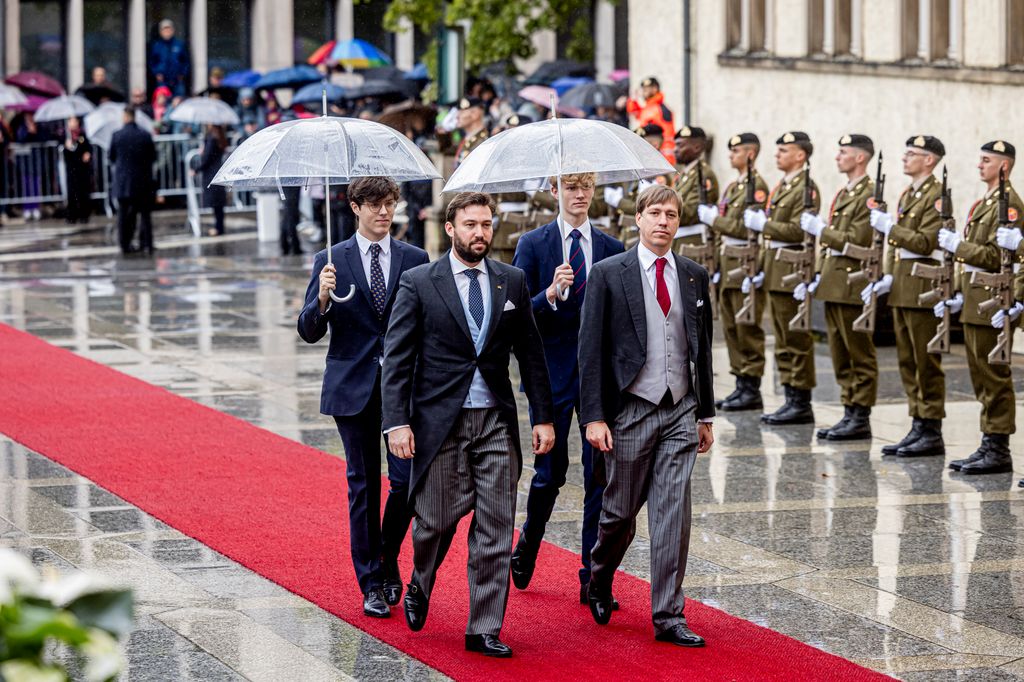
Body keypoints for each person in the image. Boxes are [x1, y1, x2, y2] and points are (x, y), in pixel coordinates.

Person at [382, 192, 555, 658]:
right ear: (452, 228)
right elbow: (397, 360)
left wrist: (543, 416)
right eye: (471, 224)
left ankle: (483, 627)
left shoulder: (512, 281)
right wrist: (396, 423)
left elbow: (531, 355)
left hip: (495, 420)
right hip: (440, 422)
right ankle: (421, 579)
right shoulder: (419, 282)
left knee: (496, 526)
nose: (480, 233)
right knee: (434, 521)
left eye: (486, 224)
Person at [579, 184, 714, 646]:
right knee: (618, 514)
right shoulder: (608, 273)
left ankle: (668, 614)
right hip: (631, 407)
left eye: (671, 215)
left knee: (673, 511)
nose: (663, 222)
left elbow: (703, 350)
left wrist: (706, 414)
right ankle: (599, 576)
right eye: (654, 213)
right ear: (637, 219)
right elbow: (590, 350)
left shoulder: (694, 275)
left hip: (679, 407)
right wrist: (594, 416)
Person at [298, 176, 429, 619]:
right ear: (355, 207)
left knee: (408, 481)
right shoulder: (330, 259)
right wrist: (321, 297)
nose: (384, 212)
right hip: (351, 385)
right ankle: (371, 582)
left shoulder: (415, 259)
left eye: (389, 204)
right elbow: (309, 331)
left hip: (403, 386)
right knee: (363, 484)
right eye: (374, 204)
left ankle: (388, 555)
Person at [509, 172, 625, 605]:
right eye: (570, 187)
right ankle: (528, 543)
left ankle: (592, 578)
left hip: (597, 379)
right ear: (554, 191)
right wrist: (550, 294)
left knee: (600, 476)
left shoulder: (612, 248)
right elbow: (516, 315)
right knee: (550, 474)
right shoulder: (534, 244)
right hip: (550, 376)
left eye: (586, 186)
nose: (580, 195)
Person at [936, 141, 1024, 474]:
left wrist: (960, 246)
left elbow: (996, 257)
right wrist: (958, 290)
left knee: (994, 374)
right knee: (980, 375)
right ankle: (989, 441)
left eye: (986, 161)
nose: (979, 166)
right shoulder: (985, 203)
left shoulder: (1010, 204)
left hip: (994, 298)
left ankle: (998, 449)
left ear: (1004, 167)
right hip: (976, 297)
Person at [869, 136, 948, 456]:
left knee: (925, 360)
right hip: (903, 285)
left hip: (922, 287)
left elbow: (925, 242)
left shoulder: (936, 196)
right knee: (907, 360)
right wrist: (888, 274)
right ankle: (917, 423)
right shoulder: (910, 193)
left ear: (929, 160)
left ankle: (931, 428)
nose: (905, 158)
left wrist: (891, 227)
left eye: (912, 154)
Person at [800, 134, 878, 438]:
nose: (837, 157)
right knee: (840, 351)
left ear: (860, 157)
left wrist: (823, 230)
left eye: (843, 152)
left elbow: (856, 240)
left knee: (858, 351)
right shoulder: (847, 192)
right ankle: (849, 409)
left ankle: (861, 414)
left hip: (852, 282)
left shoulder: (869, 194)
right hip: (834, 281)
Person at [742, 131, 820, 426]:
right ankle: (790, 396)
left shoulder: (806, 188)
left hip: (792, 269)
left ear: (800, 155)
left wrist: (766, 224)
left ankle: (801, 401)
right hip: (776, 267)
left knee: (795, 338)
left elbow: (800, 231)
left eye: (784, 150)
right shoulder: (784, 186)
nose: (777, 155)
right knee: (783, 338)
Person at [697, 133, 768, 410]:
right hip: (729, 259)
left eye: (737, 150)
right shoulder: (734, 186)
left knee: (745, 324)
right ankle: (740, 381)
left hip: (744, 261)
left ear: (750, 154)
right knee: (730, 324)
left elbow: (744, 228)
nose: (731, 155)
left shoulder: (756, 185)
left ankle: (752, 386)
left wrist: (714, 219)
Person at [109, 106, 156, 256]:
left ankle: (125, 243)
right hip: (142, 181)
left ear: (125, 117)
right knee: (145, 215)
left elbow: (111, 157)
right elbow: (153, 157)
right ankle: (147, 243)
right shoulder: (145, 135)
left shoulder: (117, 135)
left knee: (123, 215)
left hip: (124, 182)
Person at [625, 77, 675, 160]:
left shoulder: (660, 109)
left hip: (660, 153)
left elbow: (667, 134)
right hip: (651, 149)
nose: (643, 92)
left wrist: (666, 158)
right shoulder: (648, 107)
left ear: (654, 89)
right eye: (643, 89)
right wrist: (633, 100)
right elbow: (635, 112)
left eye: (646, 89)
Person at [194, 124, 227, 236]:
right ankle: (219, 227)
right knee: (219, 204)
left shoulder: (212, 138)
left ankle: (218, 228)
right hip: (217, 172)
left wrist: (196, 169)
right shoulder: (220, 136)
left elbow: (207, 158)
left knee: (216, 204)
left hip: (211, 173)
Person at [62, 117, 93, 224]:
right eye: (71, 121)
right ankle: (72, 215)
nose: (73, 123)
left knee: (83, 191)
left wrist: (88, 154)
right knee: (72, 192)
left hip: (82, 168)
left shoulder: (82, 135)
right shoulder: (65, 136)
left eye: (75, 121)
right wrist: (66, 146)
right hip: (71, 169)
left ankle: (84, 215)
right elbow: (63, 153)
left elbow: (88, 147)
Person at [150, 19, 190, 97]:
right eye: (164, 30)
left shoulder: (179, 44)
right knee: (162, 103)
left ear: (172, 30)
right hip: (162, 80)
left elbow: (185, 61)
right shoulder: (157, 46)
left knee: (178, 101)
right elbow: (152, 62)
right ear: (161, 32)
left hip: (177, 79)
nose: (167, 32)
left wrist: (182, 74)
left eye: (169, 29)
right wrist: (157, 73)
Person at [453, 97, 488, 169]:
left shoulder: (483, 143)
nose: (457, 116)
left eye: (462, 112)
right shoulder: (469, 140)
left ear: (475, 114)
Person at [280, 186, 303, 256]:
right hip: (291, 193)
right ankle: (293, 246)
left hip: (289, 192)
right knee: (290, 219)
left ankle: (286, 246)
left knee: (287, 218)